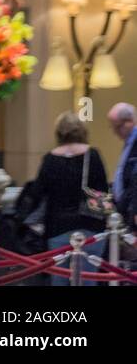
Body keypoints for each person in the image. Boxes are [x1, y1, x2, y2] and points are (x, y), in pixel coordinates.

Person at [29, 112, 108, 285]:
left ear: (58, 133)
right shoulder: (92, 155)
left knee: (59, 278)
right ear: (82, 131)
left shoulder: (50, 159)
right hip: (90, 226)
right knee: (89, 279)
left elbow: (38, 193)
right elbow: (102, 191)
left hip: (57, 227)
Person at [108, 102, 137, 231]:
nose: (114, 132)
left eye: (117, 127)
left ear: (129, 122)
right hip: (125, 211)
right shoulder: (129, 142)